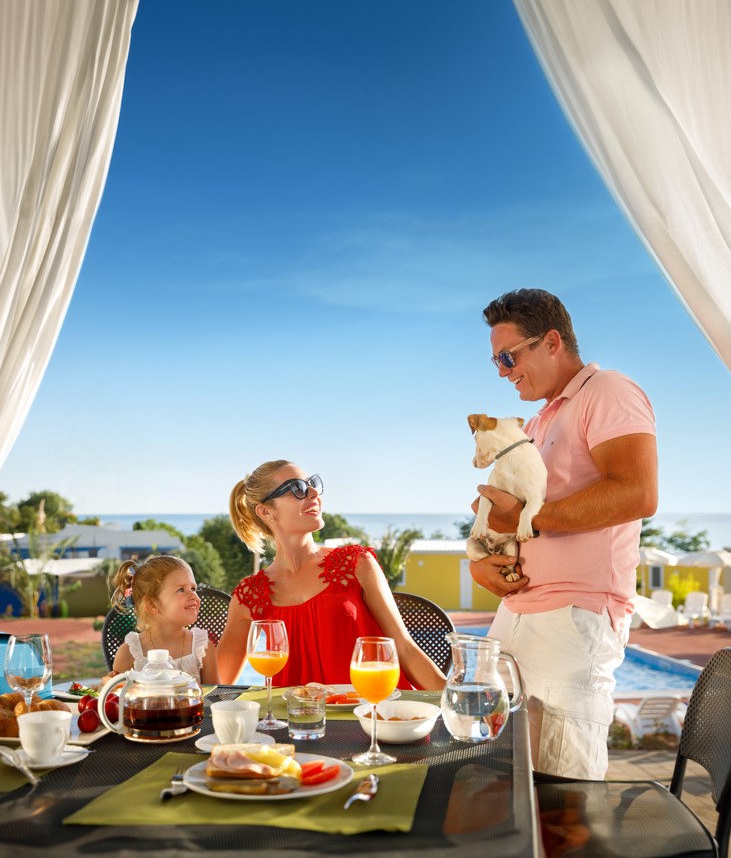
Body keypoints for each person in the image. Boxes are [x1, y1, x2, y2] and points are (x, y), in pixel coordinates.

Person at [471, 288, 657, 781]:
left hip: (572, 619)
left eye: (509, 356)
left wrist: (524, 519)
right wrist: (484, 558)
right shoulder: (538, 420)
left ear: (551, 341)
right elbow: (521, 515)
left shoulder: (608, 391)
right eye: (495, 361)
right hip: (519, 615)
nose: (503, 371)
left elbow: (638, 492)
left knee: (562, 797)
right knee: (500, 780)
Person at [217, 461, 446, 690]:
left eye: (312, 483)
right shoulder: (250, 595)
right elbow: (217, 684)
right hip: (300, 721)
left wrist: (461, 707)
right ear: (266, 511)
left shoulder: (356, 563)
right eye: (298, 488)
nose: (315, 493)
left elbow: (405, 649)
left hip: (373, 715)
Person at [108, 555, 219, 684]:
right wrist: (107, 687)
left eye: (193, 588)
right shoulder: (129, 653)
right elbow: (118, 700)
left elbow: (214, 699)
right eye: (181, 590)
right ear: (152, 604)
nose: (194, 596)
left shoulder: (202, 649)